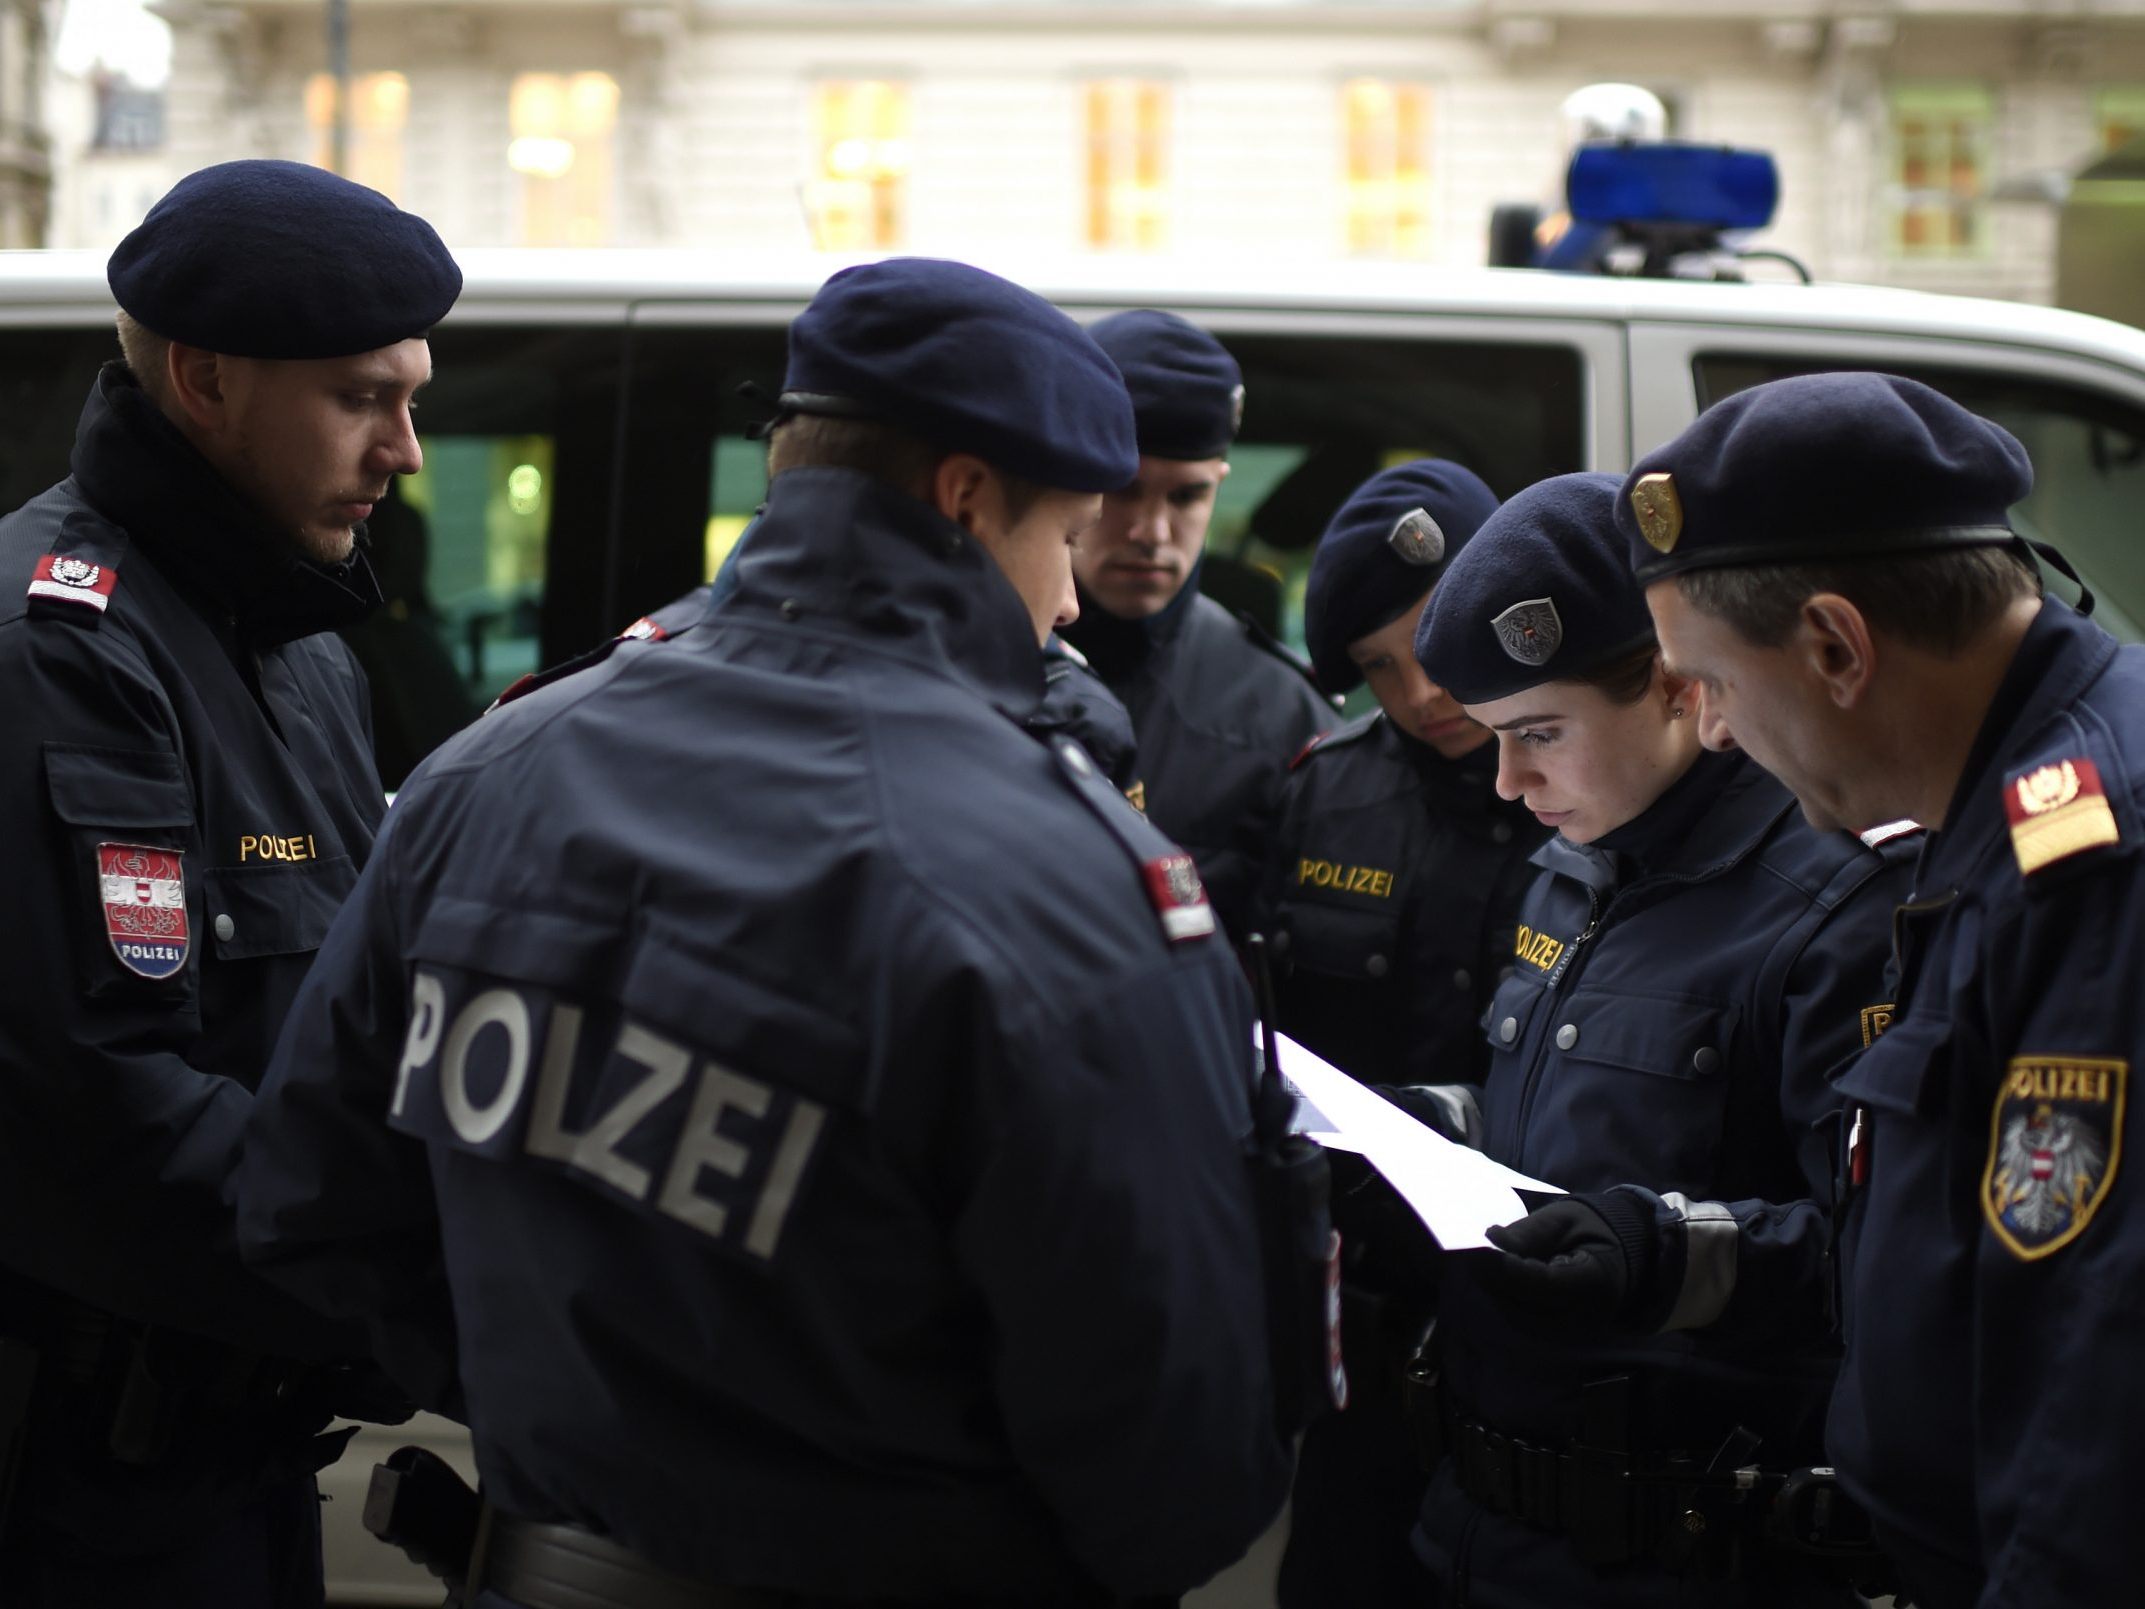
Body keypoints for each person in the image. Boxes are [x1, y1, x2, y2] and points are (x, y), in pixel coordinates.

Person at [233, 258, 1302, 1607]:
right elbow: (1176, 1454)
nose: (1073, 602)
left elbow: (310, 1205)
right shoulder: (1068, 876)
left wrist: (574, 1414)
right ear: (967, 499)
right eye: (1064, 536)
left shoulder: (489, 770)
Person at [0, 160, 459, 1606]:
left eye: (412, 396)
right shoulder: (59, 647)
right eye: (361, 397)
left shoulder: (297, 645)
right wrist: (444, 1293)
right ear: (202, 378)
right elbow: (115, 1102)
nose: (405, 448)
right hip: (81, 1489)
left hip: (237, 1453)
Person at [1618, 371, 2145, 1609]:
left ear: (1836, 647)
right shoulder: (2006, 818)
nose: (1715, 733)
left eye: (1713, 684)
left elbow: (2105, 1367)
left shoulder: (2094, 862)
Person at [1392, 472, 1914, 1607]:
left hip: (1678, 1550)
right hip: (1481, 1522)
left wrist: (1663, 1253)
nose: (1510, 781)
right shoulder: (1574, 865)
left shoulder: (1831, 903)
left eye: (1538, 734)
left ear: (1678, 686)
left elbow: (1885, 1252)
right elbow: (1571, 1124)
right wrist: (1435, 1128)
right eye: (1492, 739)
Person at [1269, 458, 1545, 1608]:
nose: (1422, 686)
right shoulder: (1320, 794)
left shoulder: (1599, 781)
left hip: (1542, 1319)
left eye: (1432, 638)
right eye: (1378, 665)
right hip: (1370, 1337)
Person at [1061, 309, 1336, 936]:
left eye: (1187, 497)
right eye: (1124, 490)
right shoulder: (979, 664)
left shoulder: (1282, 713)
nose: (1152, 533)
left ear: (1220, 485)